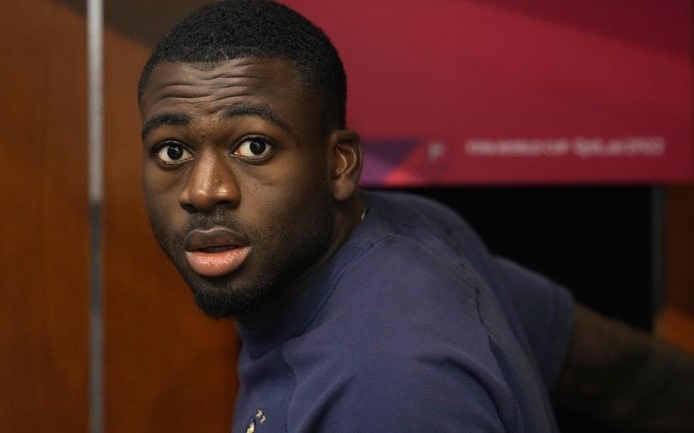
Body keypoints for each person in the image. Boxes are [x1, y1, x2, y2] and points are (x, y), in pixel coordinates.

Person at [137, 1, 694, 432]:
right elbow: (616, 374)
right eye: (172, 151)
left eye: (255, 147)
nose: (204, 191)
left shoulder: (387, 382)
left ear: (339, 165)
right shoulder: (412, 227)